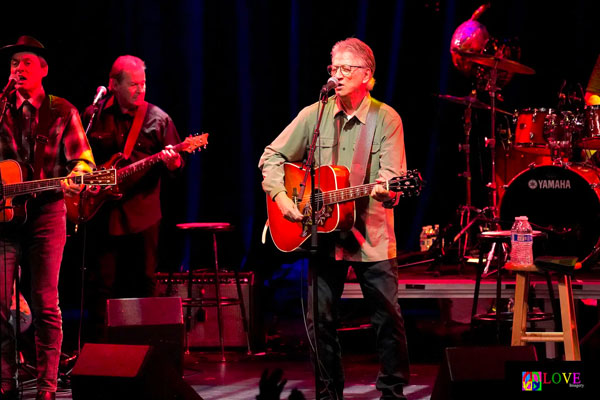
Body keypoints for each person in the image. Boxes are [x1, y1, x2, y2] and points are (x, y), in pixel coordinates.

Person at [259, 38, 410, 400]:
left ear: (367, 76)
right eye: (334, 68)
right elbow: (272, 155)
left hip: (370, 236)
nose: (337, 76)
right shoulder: (316, 113)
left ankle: (392, 391)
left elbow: (392, 178)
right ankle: (329, 393)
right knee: (319, 321)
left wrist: (389, 189)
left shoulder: (386, 119)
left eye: (346, 69)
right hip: (322, 237)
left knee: (387, 319)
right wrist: (281, 197)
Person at [0, 36, 96, 400]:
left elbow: (84, 160)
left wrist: (78, 177)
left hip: (46, 214)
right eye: (13, 64)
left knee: (45, 302)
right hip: (5, 219)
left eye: (26, 62)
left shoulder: (61, 111)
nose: (18, 69)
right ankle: (6, 381)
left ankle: (46, 386)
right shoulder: (1, 109)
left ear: (43, 69)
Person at [81, 55, 183, 339]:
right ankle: (100, 349)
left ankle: (144, 350)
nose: (141, 90)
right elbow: (78, 157)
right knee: (101, 284)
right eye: (134, 85)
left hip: (142, 214)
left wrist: (174, 162)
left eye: (144, 84)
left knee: (143, 281)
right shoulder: (93, 116)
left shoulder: (158, 119)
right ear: (113, 85)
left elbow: (177, 168)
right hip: (102, 213)